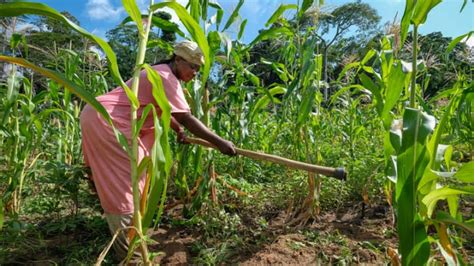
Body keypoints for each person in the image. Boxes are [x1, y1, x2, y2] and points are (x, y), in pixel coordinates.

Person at [80, 40, 236, 260]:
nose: (194, 72)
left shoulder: (158, 73)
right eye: (192, 66)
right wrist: (220, 142)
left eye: (198, 69)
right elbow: (186, 117)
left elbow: (162, 109)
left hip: (97, 116)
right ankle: (129, 255)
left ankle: (127, 230)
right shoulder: (165, 77)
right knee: (125, 184)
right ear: (177, 59)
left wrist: (178, 130)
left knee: (126, 178)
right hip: (110, 123)